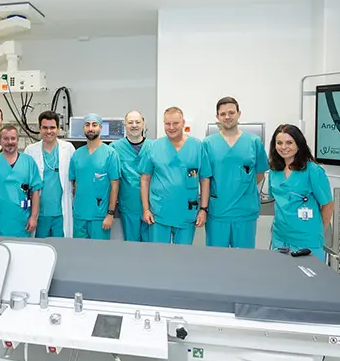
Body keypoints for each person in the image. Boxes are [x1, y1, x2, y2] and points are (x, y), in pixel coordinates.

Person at [203, 97, 269, 249]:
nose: (227, 117)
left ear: (239, 113)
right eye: (223, 114)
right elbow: (205, 178)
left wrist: (242, 189)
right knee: (216, 260)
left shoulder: (254, 142)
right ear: (217, 117)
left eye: (231, 112)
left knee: (244, 262)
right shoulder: (208, 143)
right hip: (218, 211)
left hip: (245, 211)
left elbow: (259, 174)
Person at [140, 107, 211, 245]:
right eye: (167, 124)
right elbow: (145, 179)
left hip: (186, 213)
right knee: (158, 257)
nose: (171, 127)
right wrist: (146, 209)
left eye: (175, 123)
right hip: (159, 213)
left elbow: (204, 179)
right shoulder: (154, 147)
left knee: (183, 258)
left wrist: (203, 209)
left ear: (183, 122)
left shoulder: (197, 146)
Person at [267, 124, 334, 261]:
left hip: (307, 239)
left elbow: (328, 205)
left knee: (309, 280)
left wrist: (317, 231)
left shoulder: (313, 171)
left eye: (289, 142)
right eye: (279, 143)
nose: (284, 147)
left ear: (299, 144)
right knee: (282, 279)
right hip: (280, 237)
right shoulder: (274, 171)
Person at [0, 124, 42, 237]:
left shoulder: (28, 162)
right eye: (6, 138)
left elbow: (35, 191)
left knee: (22, 252)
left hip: (23, 222)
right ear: (0, 141)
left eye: (13, 138)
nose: (10, 142)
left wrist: (33, 217)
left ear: (18, 140)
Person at [69, 113, 120, 240]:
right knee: (79, 254)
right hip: (79, 215)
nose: (90, 128)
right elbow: (74, 184)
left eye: (94, 125)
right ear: (83, 128)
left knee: (99, 254)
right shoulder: (77, 155)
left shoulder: (110, 154)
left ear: (101, 128)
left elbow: (115, 186)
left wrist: (110, 214)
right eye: (87, 125)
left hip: (100, 216)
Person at [24, 110, 75, 238]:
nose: (48, 131)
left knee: (62, 249)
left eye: (52, 127)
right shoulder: (30, 151)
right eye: (45, 128)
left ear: (58, 129)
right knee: (40, 250)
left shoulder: (68, 148)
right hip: (39, 213)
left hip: (61, 211)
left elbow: (75, 178)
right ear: (39, 129)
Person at [111, 110, 152, 242]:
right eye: (130, 122)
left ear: (143, 124)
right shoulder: (114, 148)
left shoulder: (154, 146)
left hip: (152, 206)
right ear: (125, 125)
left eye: (137, 122)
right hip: (128, 205)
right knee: (132, 245)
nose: (134, 125)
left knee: (151, 246)